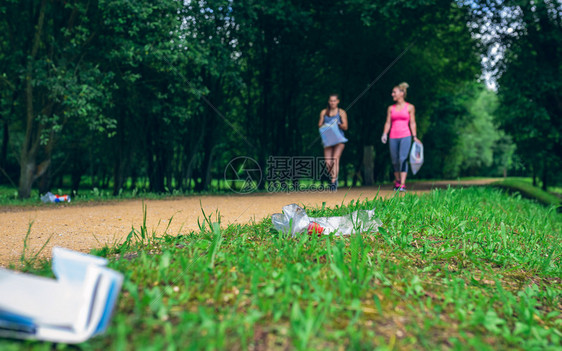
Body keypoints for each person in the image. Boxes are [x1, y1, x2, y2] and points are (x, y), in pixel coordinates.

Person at [381, 82, 420, 192]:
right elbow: (388, 122)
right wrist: (385, 134)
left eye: (394, 92)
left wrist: (414, 136)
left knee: (402, 159)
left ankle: (402, 183)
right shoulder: (390, 108)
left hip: (405, 136)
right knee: (394, 160)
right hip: (393, 136)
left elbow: (412, 123)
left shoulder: (410, 107)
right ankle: (397, 181)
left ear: (402, 93)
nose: (392, 94)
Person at [318, 94, 348, 190]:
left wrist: (338, 124)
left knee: (335, 159)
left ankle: (333, 181)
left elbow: (346, 127)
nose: (332, 103)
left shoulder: (341, 112)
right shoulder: (324, 112)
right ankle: (334, 178)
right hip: (328, 138)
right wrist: (326, 124)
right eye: (331, 101)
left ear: (338, 101)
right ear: (328, 102)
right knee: (328, 162)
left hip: (339, 139)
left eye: (334, 101)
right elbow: (319, 125)